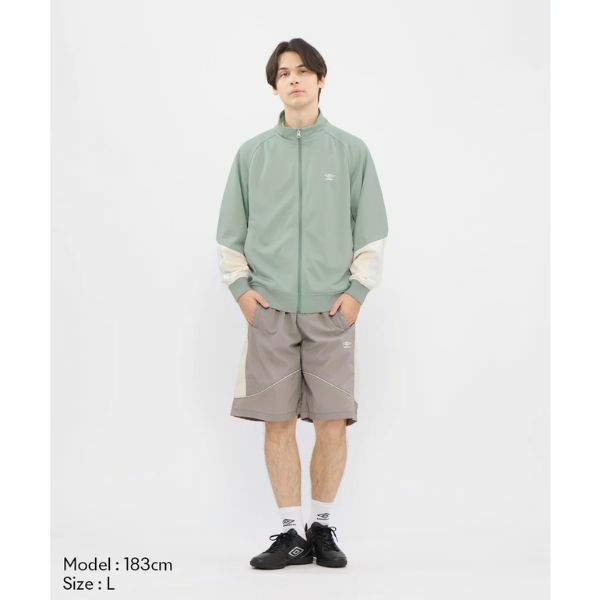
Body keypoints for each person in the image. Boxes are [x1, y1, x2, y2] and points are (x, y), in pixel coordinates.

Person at [216, 38, 388, 570]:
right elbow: (229, 235)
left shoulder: (351, 151)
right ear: (274, 86)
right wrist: (243, 293)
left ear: (320, 80)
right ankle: (291, 534)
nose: (294, 79)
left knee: (332, 423)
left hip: (331, 314)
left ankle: (323, 527)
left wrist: (356, 294)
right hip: (269, 314)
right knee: (278, 424)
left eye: (303, 71)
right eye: (284, 73)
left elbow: (372, 231)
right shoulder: (251, 154)